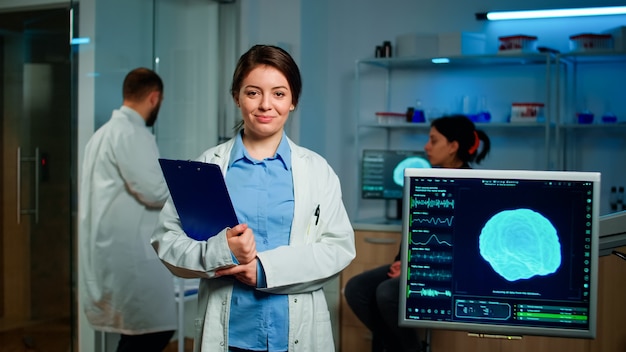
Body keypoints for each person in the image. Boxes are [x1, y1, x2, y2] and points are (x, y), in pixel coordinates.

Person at [151, 44, 356, 352]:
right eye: (252, 92)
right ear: (237, 97)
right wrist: (223, 252)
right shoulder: (207, 167)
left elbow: (338, 248)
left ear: (293, 102)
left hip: (296, 334)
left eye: (278, 93)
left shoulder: (317, 171)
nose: (265, 105)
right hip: (229, 336)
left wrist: (262, 269)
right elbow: (167, 242)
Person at [344, 114, 491, 352]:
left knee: (387, 292)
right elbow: (414, 231)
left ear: (453, 147)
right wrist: (401, 261)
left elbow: (467, 247)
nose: (426, 146)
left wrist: (415, 265)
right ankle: (399, 346)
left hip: (449, 270)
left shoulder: (475, 187)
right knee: (356, 288)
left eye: (433, 140)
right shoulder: (425, 181)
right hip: (418, 263)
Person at [79, 67, 177, 352]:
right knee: (152, 332)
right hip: (129, 258)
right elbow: (154, 191)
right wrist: (190, 188)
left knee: (136, 334)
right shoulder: (132, 133)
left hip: (110, 254)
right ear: (154, 98)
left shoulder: (102, 135)